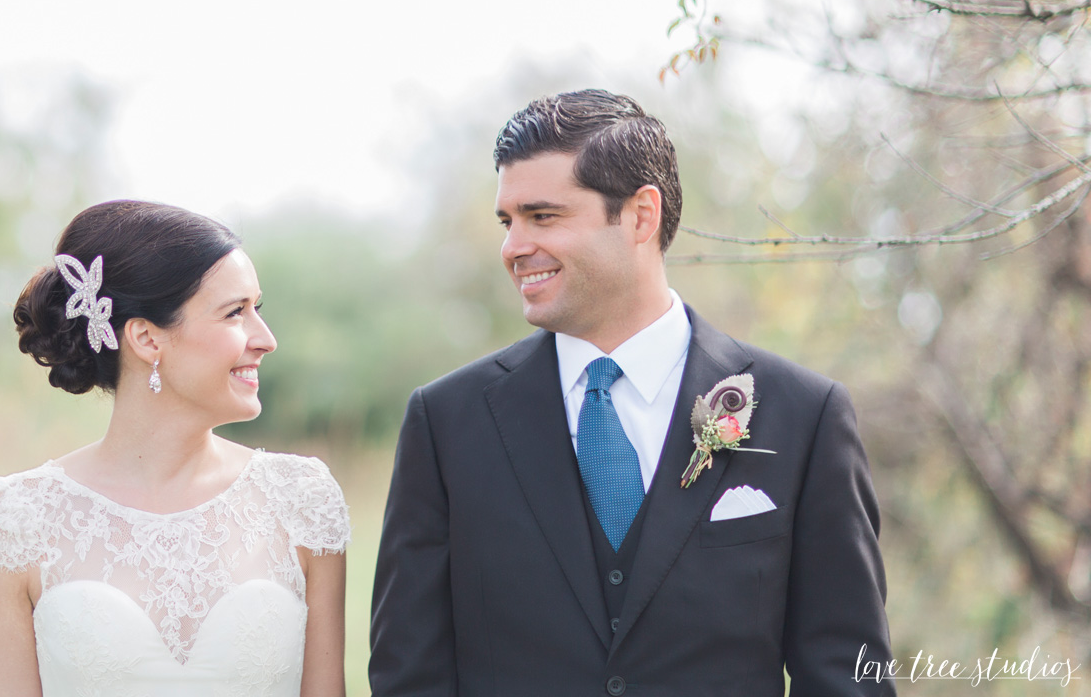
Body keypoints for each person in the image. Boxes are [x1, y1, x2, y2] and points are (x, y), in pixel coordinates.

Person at [369, 90, 895, 696]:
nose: (513, 247)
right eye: (507, 221)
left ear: (642, 216)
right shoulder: (445, 424)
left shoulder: (804, 416)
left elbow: (849, 678)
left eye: (543, 217)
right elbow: (408, 678)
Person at [0, 200, 350, 697]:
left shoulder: (303, 501)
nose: (266, 338)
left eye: (259, 309)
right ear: (147, 338)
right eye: (236, 312)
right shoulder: (16, 519)